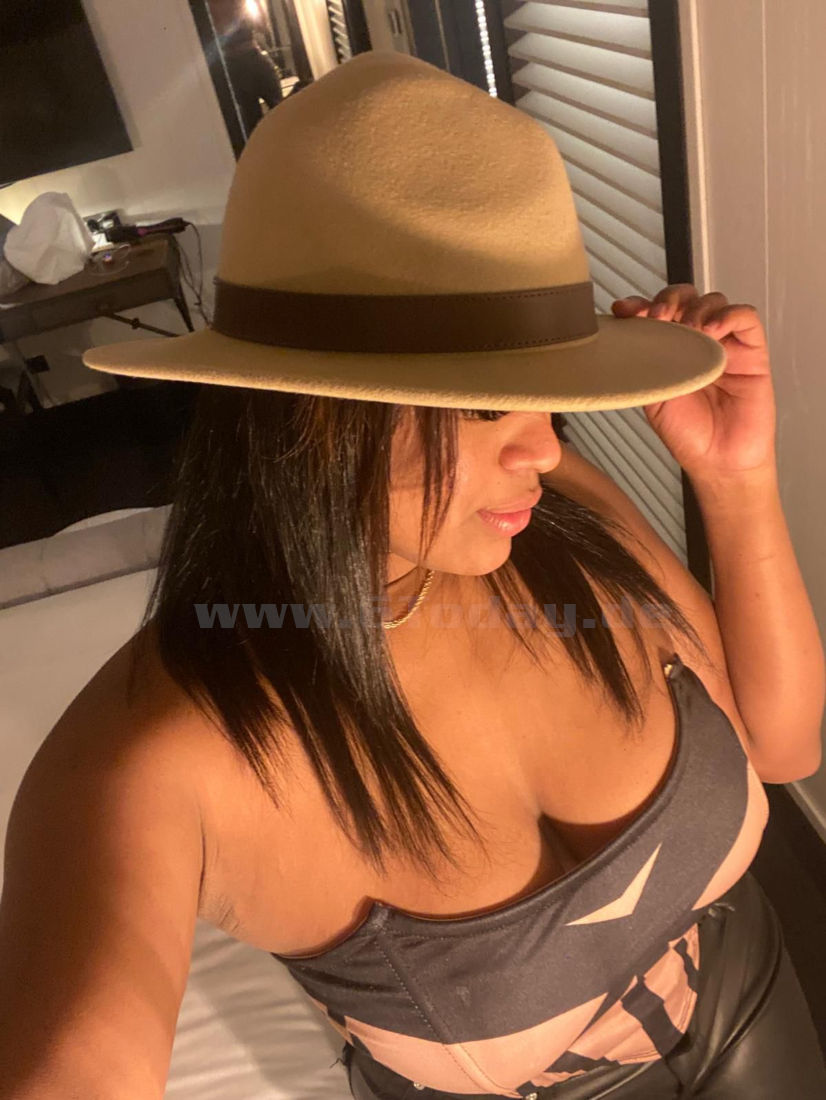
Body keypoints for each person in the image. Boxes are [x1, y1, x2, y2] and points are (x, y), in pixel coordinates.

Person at [1, 49, 824, 1099]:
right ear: (309, 406)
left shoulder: (556, 509)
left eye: (552, 389)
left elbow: (784, 746)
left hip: (754, 1001)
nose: (543, 446)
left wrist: (735, 482)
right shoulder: (151, 762)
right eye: (484, 399)